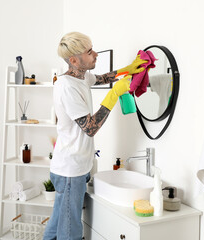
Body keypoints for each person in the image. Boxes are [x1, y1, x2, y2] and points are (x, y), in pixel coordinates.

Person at [43, 32, 147, 240]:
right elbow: (90, 128)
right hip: (70, 170)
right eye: (89, 52)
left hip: (72, 168)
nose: (95, 54)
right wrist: (114, 94)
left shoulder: (81, 77)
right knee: (70, 231)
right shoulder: (66, 87)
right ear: (73, 60)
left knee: (57, 225)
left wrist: (126, 69)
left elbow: (101, 78)